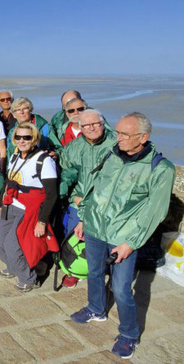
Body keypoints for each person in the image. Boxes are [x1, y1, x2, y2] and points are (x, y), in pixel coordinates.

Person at [70, 113, 175, 359]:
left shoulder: (160, 168)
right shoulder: (112, 155)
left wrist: (131, 242)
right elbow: (95, 190)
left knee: (120, 288)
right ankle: (96, 309)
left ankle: (129, 334)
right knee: (94, 272)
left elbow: (155, 211)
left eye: (125, 135)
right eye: (117, 133)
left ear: (144, 137)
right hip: (95, 227)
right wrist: (85, 218)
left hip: (124, 236)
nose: (118, 139)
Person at [0, 122, 59, 292]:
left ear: (35, 139)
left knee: (12, 245)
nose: (22, 140)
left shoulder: (44, 161)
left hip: (30, 209)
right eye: (18, 137)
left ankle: (29, 278)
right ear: (14, 139)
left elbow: (52, 194)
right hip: (10, 204)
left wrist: (42, 221)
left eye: (27, 137)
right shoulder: (15, 156)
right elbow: (9, 183)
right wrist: (0, 205)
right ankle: (13, 267)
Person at [58, 109, 115, 289]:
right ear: (80, 127)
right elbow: (66, 176)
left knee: (108, 241)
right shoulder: (73, 148)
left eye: (96, 124)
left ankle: (109, 272)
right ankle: (73, 271)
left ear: (103, 123)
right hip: (79, 202)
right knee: (74, 240)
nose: (92, 128)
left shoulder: (116, 144)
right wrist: (74, 197)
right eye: (86, 125)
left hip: (108, 203)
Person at [7, 97, 60, 161]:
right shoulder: (12, 132)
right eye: (18, 110)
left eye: (25, 108)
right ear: (14, 115)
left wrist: (55, 154)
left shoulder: (45, 128)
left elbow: (58, 148)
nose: (21, 112)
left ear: (30, 111)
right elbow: (10, 154)